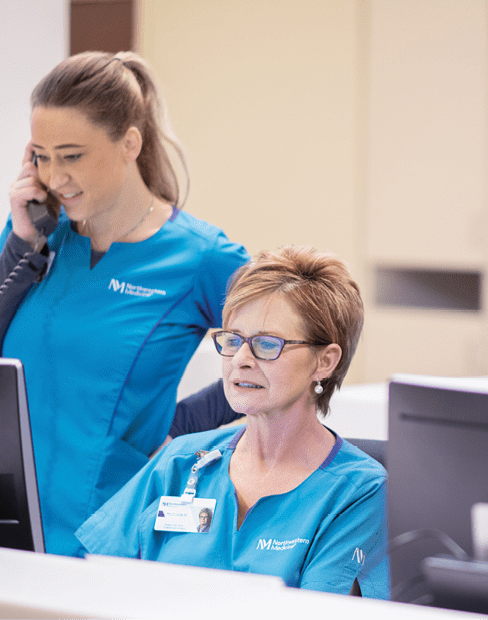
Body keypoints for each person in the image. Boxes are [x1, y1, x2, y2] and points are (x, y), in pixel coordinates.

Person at [0, 52, 249, 556]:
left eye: (72, 156)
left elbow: (291, 347)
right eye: (41, 157)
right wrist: (22, 244)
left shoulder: (201, 257)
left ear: (130, 144)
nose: (54, 177)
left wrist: (180, 428)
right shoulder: (37, 236)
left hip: (110, 537)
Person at [76, 246, 388, 599]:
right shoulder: (180, 461)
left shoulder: (358, 492)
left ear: (324, 361)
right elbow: (90, 586)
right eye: (233, 340)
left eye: (267, 344)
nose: (241, 359)